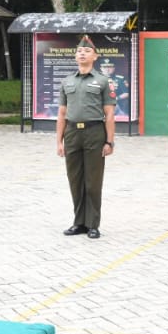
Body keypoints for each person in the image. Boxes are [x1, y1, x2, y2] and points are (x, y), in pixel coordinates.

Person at [56, 35, 116, 239]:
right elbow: (62, 113)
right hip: (72, 133)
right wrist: (59, 141)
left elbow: (109, 114)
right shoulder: (67, 81)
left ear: (95, 56)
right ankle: (79, 222)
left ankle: (93, 224)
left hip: (94, 132)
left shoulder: (103, 81)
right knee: (75, 179)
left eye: (87, 51)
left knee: (93, 181)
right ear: (75, 56)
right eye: (79, 51)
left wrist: (109, 141)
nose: (82, 53)